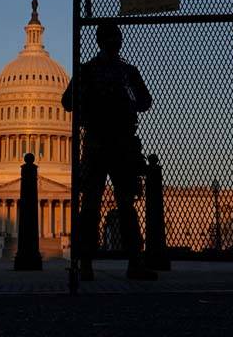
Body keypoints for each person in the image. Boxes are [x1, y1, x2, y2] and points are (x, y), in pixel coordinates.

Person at [62, 24, 158, 281]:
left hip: (103, 143)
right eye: (114, 39)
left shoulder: (90, 70)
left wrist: (96, 101)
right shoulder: (125, 71)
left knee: (95, 205)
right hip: (115, 143)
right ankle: (130, 262)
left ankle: (87, 263)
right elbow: (145, 102)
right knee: (121, 204)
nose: (116, 43)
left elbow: (67, 102)